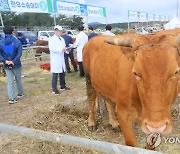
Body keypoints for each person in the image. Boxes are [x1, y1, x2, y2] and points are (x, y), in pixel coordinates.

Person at [0, 25, 24, 104]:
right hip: (16, 64)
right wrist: (13, 61)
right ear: (12, 32)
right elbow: (19, 53)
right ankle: (20, 94)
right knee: (18, 79)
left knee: (10, 81)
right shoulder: (17, 41)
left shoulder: (1, 42)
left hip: (6, 64)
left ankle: (12, 98)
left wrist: (5, 60)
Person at [49, 25, 70, 95]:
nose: (59, 32)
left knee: (62, 73)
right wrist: (61, 49)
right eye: (57, 31)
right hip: (55, 59)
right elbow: (52, 49)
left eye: (60, 31)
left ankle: (63, 86)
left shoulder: (62, 39)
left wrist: (67, 50)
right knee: (55, 74)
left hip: (61, 58)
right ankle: (54, 89)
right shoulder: (52, 39)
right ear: (55, 31)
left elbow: (64, 48)